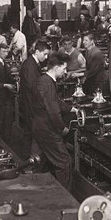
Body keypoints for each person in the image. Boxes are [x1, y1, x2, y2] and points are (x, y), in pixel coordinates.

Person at [31, 52, 76, 189]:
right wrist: (62, 128)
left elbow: (56, 101)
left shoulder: (45, 80)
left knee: (41, 161)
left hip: (40, 126)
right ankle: (64, 198)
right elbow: (53, 111)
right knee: (65, 163)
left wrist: (71, 109)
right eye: (64, 68)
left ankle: (39, 189)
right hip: (47, 129)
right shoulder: (47, 84)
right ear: (57, 67)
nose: (65, 71)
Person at [19, 40, 50, 158]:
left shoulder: (31, 63)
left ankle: (26, 158)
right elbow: (34, 88)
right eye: (45, 54)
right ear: (37, 52)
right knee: (33, 133)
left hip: (29, 103)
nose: (46, 57)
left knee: (28, 132)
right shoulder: (30, 66)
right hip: (31, 105)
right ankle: (31, 160)